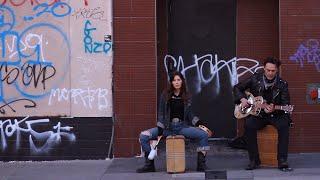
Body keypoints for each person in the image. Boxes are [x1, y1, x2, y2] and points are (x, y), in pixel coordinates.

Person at [136, 71, 210, 173]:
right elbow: (161, 113)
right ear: (171, 82)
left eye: (178, 80)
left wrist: (199, 123)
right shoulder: (165, 95)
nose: (176, 82)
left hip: (182, 128)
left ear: (182, 81)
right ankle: (149, 165)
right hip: (167, 128)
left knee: (203, 135)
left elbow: (190, 114)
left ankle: (201, 165)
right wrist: (160, 127)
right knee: (143, 136)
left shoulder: (186, 96)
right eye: (174, 80)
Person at [233, 57, 293, 171]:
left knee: (284, 125)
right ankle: (254, 160)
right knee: (249, 125)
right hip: (259, 114)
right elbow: (237, 88)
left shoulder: (283, 84)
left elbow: (286, 104)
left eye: (273, 71)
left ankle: (282, 160)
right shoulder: (255, 78)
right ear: (264, 68)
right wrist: (242, 99)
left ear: (277, 70)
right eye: (268, 70)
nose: (270, 73)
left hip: (275, 114)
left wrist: (273, 109)